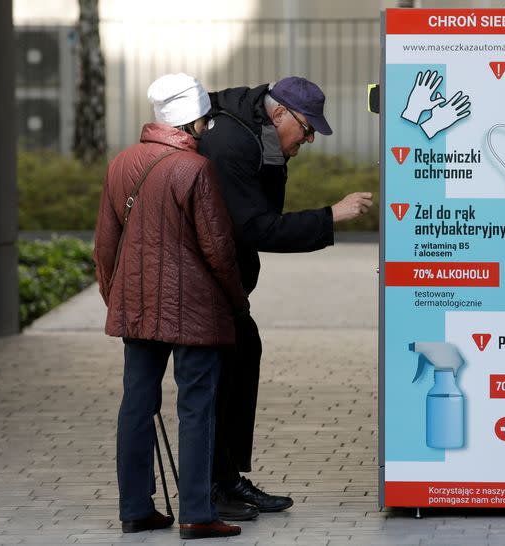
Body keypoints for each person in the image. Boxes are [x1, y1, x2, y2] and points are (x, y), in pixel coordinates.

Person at [198, 76, 373, 517]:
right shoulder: (233, 145)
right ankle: (211, 491)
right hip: (204, 283)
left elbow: (263, 214)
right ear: (279, 114)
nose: (311, 137)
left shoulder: (261, 135)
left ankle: (227, 479)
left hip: (227, 281)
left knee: (244, 353)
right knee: (216, 377)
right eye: (308, 127)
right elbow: (255, 227)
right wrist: (330, 215)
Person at [93, 73, 249, 540]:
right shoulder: (195, 170)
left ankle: (135, 510)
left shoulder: (122, 163)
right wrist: (237, 301)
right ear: (195, 120)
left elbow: (105, 244)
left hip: (136, 307)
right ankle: (197, 513)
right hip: (194, 311)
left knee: (136, 406)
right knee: (197, 407)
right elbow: (218, 248)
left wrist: (115, 297)